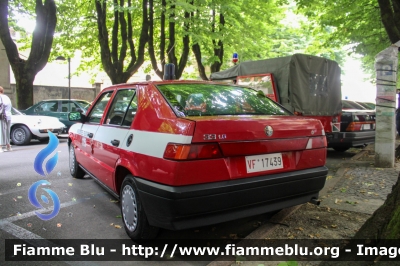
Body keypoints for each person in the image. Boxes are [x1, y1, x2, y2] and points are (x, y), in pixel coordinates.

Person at [0, 86, 12, 152]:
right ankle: (8, 146)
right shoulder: (7, 97)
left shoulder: (0, 97)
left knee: (1, 132)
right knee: (7, 131)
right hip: (8, 116)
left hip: (2, 117)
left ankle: (0, 147)